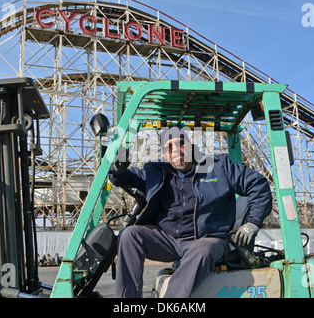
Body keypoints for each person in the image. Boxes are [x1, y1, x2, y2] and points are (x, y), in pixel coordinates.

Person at [109, 126, 272, 298]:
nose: (176, 150)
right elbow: (123, 177)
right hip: (168, 239)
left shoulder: (218, 166)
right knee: (129, 235)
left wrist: (253, 222)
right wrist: (117, 170)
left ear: (190, 145)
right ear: (164, 154)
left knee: (202, 250)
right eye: (169, 147)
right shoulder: (155, 171)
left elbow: (259, 185)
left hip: (206, 239)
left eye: (181, 143)